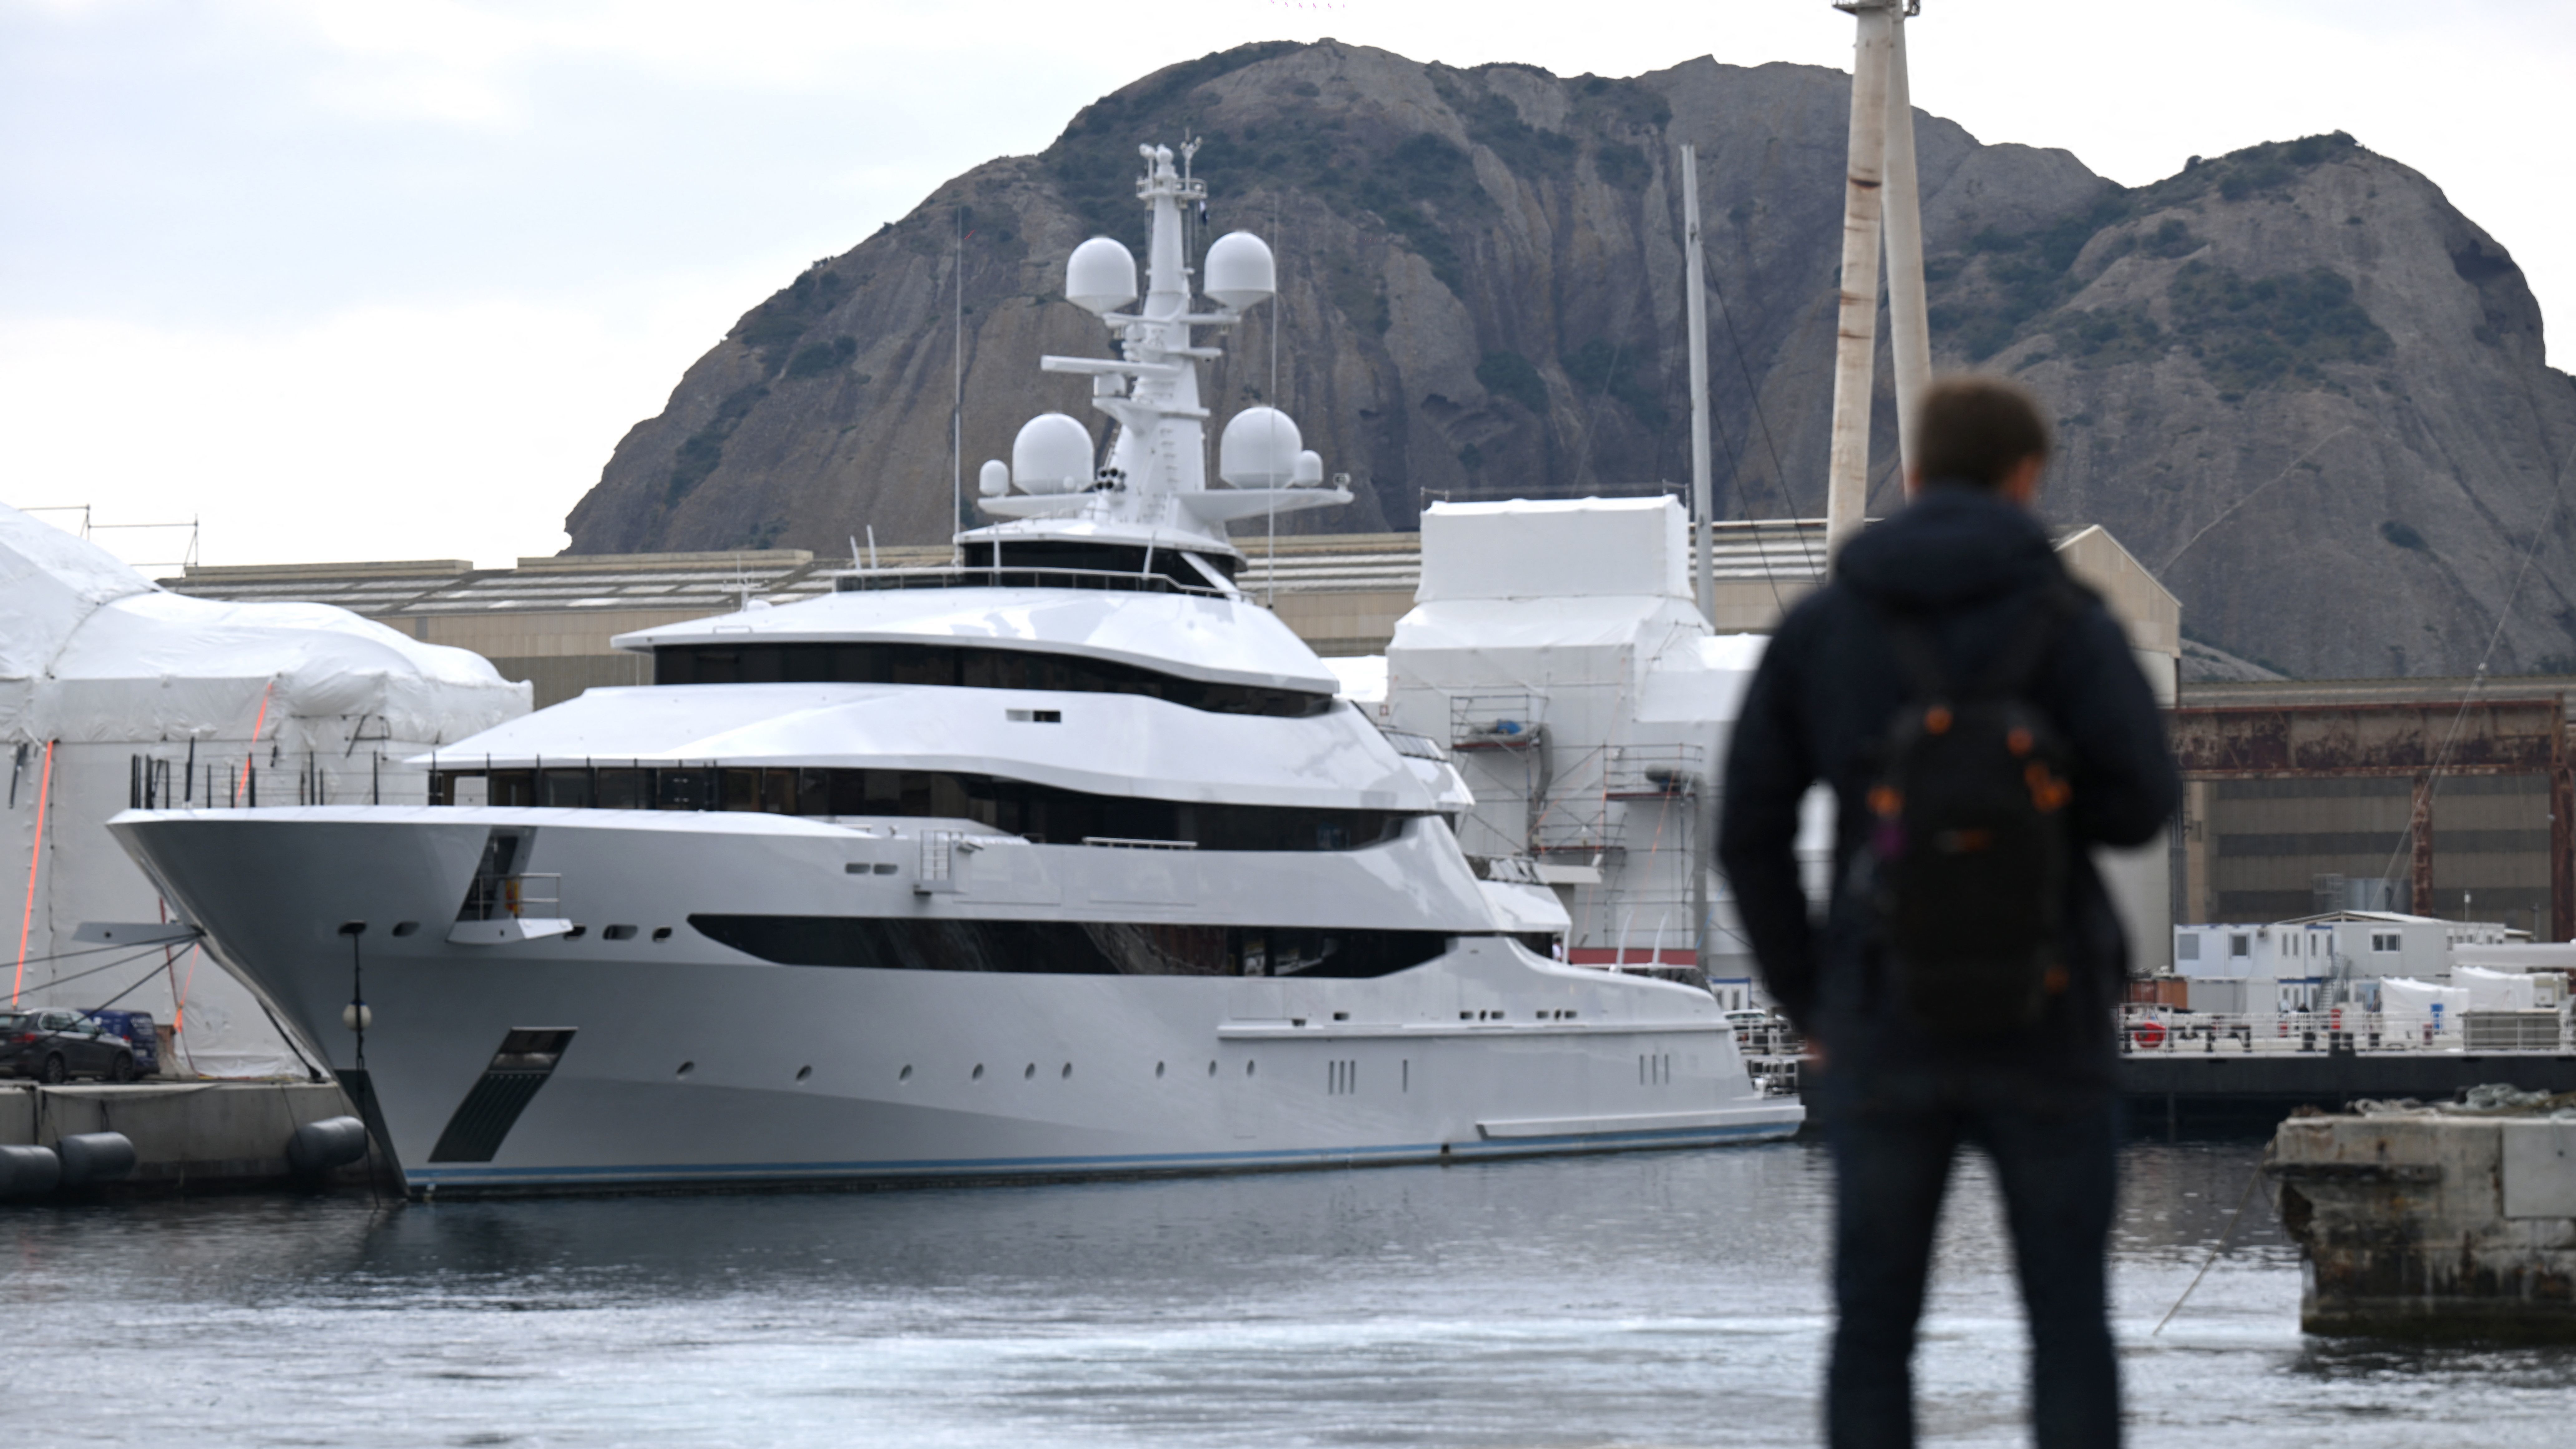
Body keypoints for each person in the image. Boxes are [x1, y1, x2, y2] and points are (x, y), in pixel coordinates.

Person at [1717, 376, 2180, 1448]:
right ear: (2028, 478)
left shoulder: (1826, 629)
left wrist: (1811, 996)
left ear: (1914, 476)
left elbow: (1750, 830)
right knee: (2067, 1321)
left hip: (1884, 1020)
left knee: (1876, 1328)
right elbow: (2142, 805)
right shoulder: (2071, 623)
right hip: (2050, 1017)